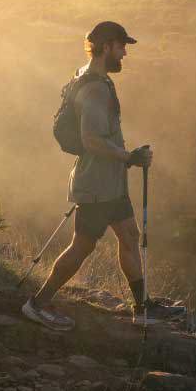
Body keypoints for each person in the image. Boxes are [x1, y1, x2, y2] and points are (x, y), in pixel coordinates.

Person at [22, 20, 153, 332]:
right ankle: (37, 305)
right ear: (106, 46)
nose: (124, 53)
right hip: (96, 185)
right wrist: (130, 157)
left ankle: (142, 306)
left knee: (130, 236)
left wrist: (125, 159)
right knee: (82, 247)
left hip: (110, 183)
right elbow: (91, 138)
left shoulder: (88, 77)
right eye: (121, 47)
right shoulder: (94, 87)